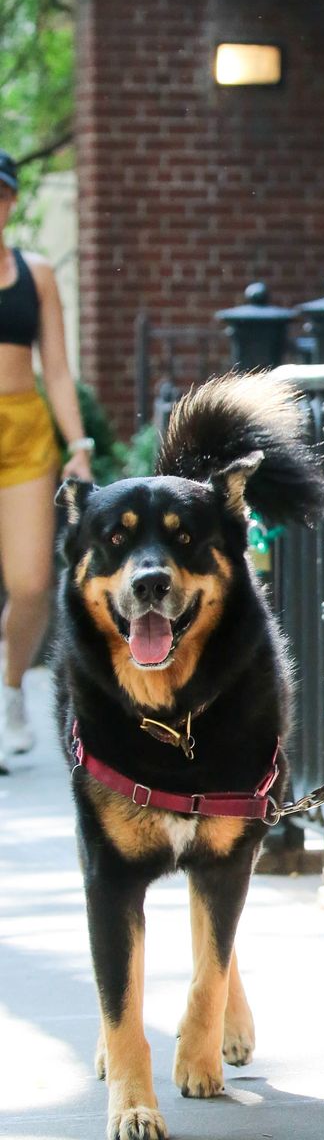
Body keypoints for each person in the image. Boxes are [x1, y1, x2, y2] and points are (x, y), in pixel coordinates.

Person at [0, 151, 94, 772]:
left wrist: (79, 445)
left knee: (32, 582)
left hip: (26, 432)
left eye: (2, 193)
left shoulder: (33, 273)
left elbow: (57, 369)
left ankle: (10, 693)